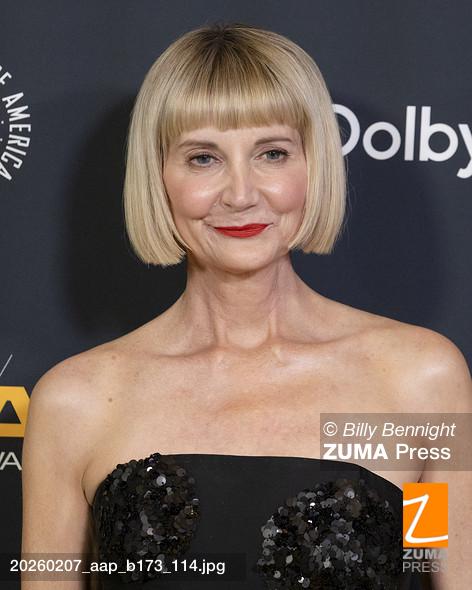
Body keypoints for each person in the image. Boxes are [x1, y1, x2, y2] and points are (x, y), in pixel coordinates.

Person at [21, 21, 471, 590]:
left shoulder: (418, 381)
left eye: (272, 153)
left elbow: (441, 570)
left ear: (313, 166)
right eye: (203, 158)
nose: (240, 194)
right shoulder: (75, 402)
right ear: (159, 176)